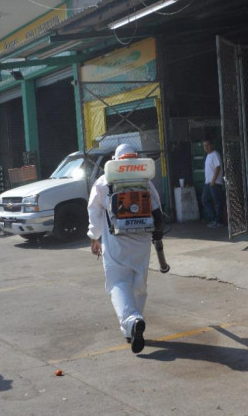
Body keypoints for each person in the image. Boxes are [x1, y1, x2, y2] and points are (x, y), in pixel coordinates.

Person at [88, 144, 164, 354]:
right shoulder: (144, 181)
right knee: (139, 282)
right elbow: (157, 209)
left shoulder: (104, 181)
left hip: (116, 241)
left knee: (118, 282)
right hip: (142, 240)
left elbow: (93, 211)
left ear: (116, 159)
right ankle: (131, 328)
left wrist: (94, 236)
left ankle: (133, 321)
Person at [201, 139, 225, 228]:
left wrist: (213, 181)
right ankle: (214, 219)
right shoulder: (208, 156)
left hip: (214, 183)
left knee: (218, 202)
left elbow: (217, 168)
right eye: (204, 146)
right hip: (208, 183)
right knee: (205, 200)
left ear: (212, 145)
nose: (206, 148)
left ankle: (219, 221)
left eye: (207, 145)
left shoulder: (215, 154)